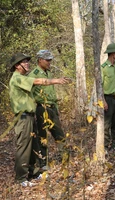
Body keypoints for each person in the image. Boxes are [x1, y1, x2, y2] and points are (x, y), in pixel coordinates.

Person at [9, 52, 70, 187]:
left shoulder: (22, 77)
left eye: (27, 62)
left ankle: (34, 173)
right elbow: (37, 81)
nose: (27, 64)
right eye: (24, 62)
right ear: (17, 66)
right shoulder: (17, 78)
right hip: (23, 117)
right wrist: (56, 81)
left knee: (33, 145)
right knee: (24, 147)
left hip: (30, 116)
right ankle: (21, 178)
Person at [28, 50, 67, 170]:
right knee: (42, 137)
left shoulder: (48, 73)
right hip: (41, 108)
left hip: (52, 107)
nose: (50, 62)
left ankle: (64, 158)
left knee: (59, 134)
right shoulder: (33, 74)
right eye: (47, 60)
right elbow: (29, 94)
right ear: (40, 60)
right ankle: (43, 163)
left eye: (50, 60)